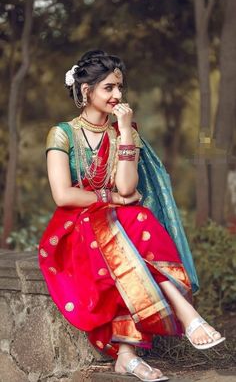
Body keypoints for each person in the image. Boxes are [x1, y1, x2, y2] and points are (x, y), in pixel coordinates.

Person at [39, 50, 225, 382]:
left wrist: (124, 132)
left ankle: (127, 357)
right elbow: (64, 195)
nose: (118, 95)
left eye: (120, 87)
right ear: (86, 91)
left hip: (115, 221)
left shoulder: (125, 131)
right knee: (128, 223)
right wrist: (108, 197)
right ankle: (185, 314)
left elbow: (127, 188)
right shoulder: (62, 133)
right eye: (109, 88)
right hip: (74, 227)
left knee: (129, 227)